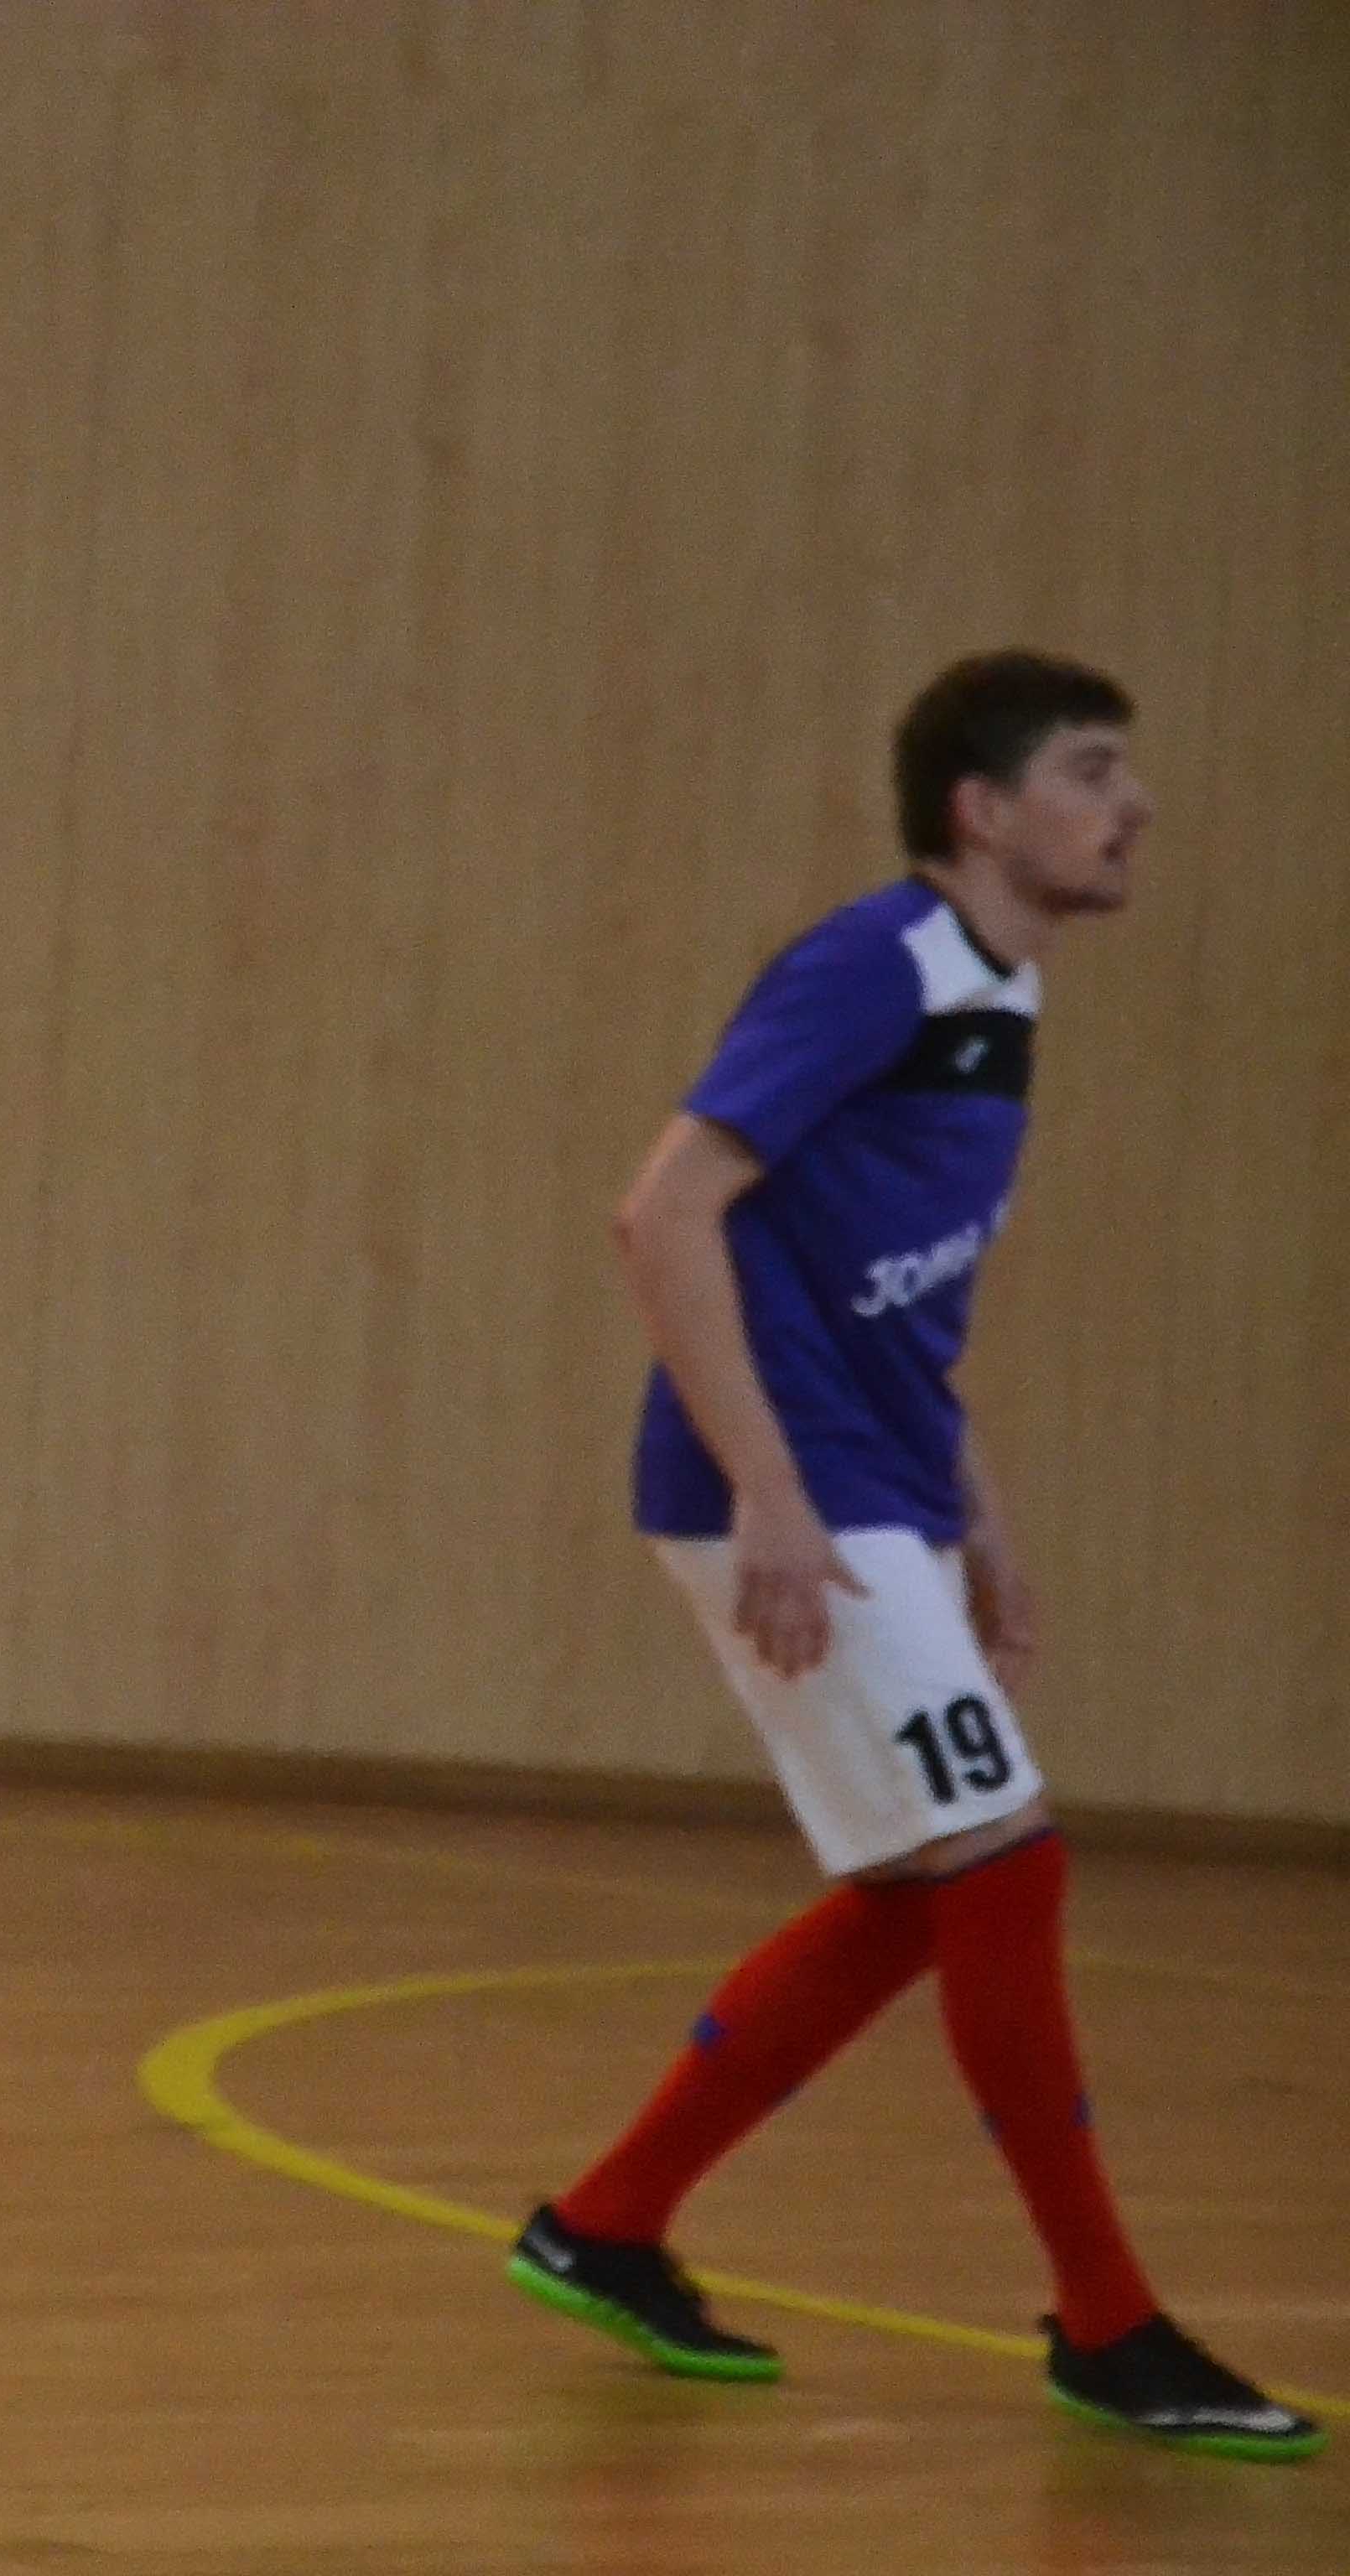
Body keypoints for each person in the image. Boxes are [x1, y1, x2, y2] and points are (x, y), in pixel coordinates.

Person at [504, 652, 1319, 2464]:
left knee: (917, 1893)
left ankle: (608, 2224)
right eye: (1092, 770)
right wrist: (773, 1493)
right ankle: (1107, 2325)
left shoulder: (998, 998)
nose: (1133, 806)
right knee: (1006, 1867)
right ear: (982, 807)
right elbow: (663, 1212)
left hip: (878, 1483)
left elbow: (885, 1297)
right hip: (795, 1496)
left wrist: (983, 1517)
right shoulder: (877, 962)